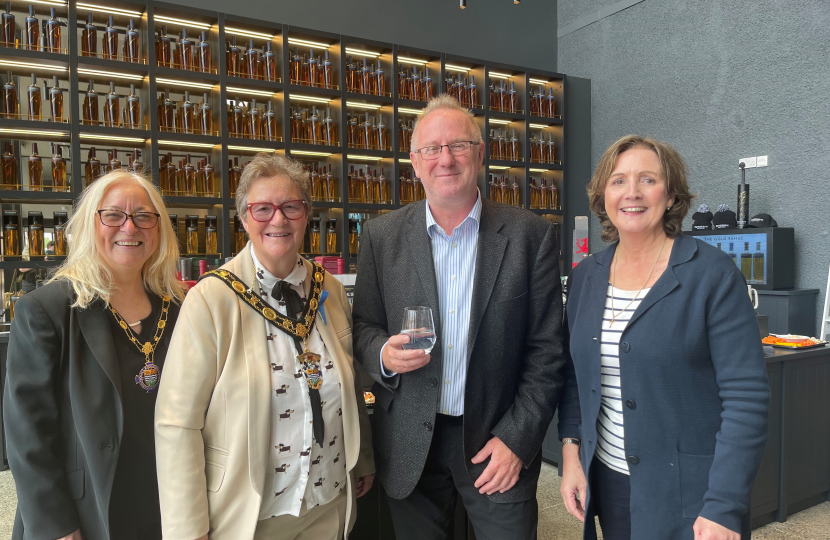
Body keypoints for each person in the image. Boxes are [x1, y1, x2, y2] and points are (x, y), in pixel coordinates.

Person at [352, 95, 566, 540]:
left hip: (496, 440)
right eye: (431, 148)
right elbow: (363, 329)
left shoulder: (531, 236)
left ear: (480, 153)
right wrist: (385, 356)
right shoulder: (380, 236)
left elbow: (548, 353)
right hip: (410, 440)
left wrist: (517, 441)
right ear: (414, 162)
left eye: (459, 145)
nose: (445, 159)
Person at [558, 135, 769, 540]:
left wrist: (724, 505)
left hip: (692, 494)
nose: (632, 193)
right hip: (611, 482)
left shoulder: (712, 275)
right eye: (618, 181)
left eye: (647, 180)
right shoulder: (586, 277)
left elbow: (747, 398)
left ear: (671, 194)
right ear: (603, 195)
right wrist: (572, 455)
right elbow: (574, 379)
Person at [155, 153, 374, 540]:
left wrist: (363, 458)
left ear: (306, 214)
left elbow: (349, 381)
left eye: (291, 206)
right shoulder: (212, 299)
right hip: (250, 514)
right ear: (243, 218)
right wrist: (188, 530)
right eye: (262, 209)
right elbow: (177, 423)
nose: (278, 219)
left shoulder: (332, 290)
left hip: (328, 502)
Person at [3, 170, 185, 540]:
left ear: (159, 228)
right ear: (90, 224)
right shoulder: (48, 309)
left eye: (144, 216)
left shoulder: (181, 307)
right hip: (86, 513)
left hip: (168, 505)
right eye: (113, 214)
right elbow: (27, 433)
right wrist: (56, 526)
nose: (129, 227)